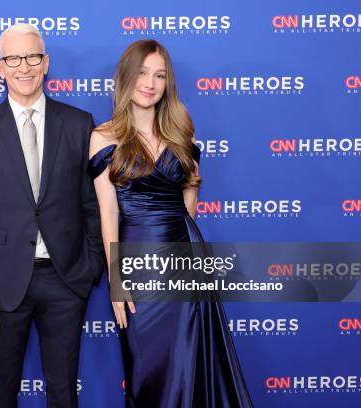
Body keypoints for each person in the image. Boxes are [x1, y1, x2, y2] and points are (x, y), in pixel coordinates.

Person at [89, 40, 253, 407]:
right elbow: (108, 213)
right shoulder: (103, 137)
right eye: (143, 73)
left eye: (159, 75)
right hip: (138, 267)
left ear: (168, 83)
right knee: (148, 369)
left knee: (189, 361)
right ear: (126, 78)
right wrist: (117, 280)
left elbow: (188, 208)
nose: (150, 83)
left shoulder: (183, 135)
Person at [0, 23, 104, 408]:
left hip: (66, 279)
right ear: (0, 67)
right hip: (2, 284)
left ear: (46, 62)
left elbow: (92, 205)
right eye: (13, 59)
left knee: (63, 392)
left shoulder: (79, 123)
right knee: (1, 393)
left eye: (33, 57)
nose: (25, 67)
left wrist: (88, 270)